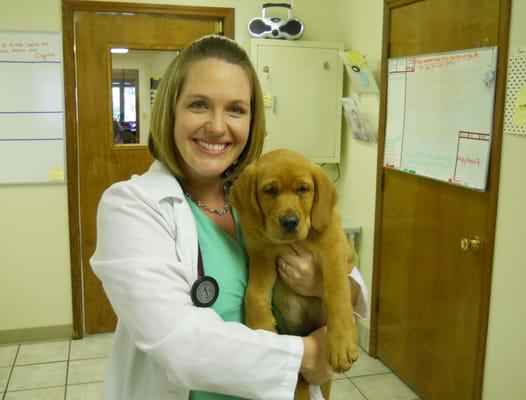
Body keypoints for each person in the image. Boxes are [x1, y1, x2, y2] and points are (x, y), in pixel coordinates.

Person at [90, 35, 369, 400]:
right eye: (199, 105)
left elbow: (348, 279)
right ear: (170, 111)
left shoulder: (255, 196)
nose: (218, 126)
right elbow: (179, 344)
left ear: (252, 121)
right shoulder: (131, 206)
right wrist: (307, 355)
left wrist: (322, 288)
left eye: (236, 109)